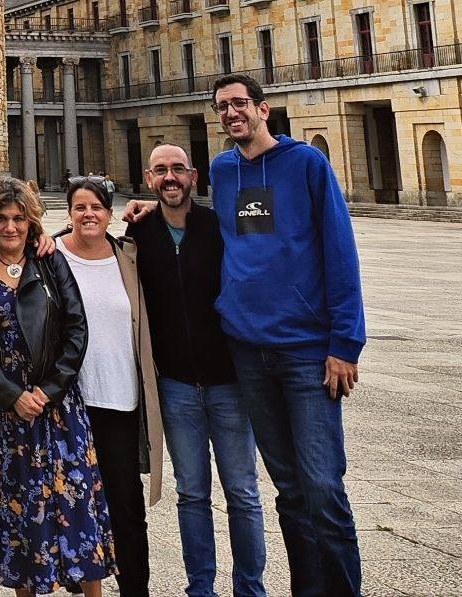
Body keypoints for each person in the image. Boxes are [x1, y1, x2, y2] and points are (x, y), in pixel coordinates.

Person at [129, 74, 365, 596]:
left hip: (305, 352)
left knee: (323, 488)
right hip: (248, 352)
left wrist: (344, 344)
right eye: (222, 107)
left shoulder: (306, 163)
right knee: (287, 490)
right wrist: (150, 209)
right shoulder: (224, 170)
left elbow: (339, 250)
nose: (231, 113)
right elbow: (201, 219)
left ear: (263, 108)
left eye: (240, 104)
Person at [0, 178, 115, 596]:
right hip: (4, 414)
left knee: (76, 510)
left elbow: (76, 329)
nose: (10, 228)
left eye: (18, 219)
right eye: (0, 220)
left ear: (31, 223)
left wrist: (47, 390)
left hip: (56, 409)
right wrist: (11, 394)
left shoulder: (50, 262)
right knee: (18, 520)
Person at [126, 144, 266, 597]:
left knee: (243, 494)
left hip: (228, 380)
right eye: (161, 171)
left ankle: (250, 586)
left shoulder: (221, 226)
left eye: (178, 170)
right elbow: (90, 247)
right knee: (191, 494)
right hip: (176, 384)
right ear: (149, 179)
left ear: (194, 175)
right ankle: (199, 588)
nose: (170, 178)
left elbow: (266, 260)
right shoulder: (138, 235)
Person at [53, 178, 163, 597]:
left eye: (96, 207)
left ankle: (135, 588)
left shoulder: (128, 255)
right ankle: (85, 587)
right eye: (79, 207)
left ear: (109, 212)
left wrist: (149, 210)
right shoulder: (50, 255)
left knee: (126, 505)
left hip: (119, 396)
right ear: (69, 214)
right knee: (74, 502)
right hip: (69, 401)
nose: (88, 214)